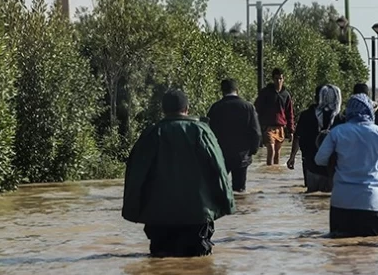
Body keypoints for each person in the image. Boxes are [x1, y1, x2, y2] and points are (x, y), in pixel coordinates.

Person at [122, 89, 235, 257]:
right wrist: (227, 203)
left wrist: (132, 210)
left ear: (163, 109)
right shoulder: (201, 132)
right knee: (199, 266)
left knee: (159, 265)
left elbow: (135, 174)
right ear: (187, 108)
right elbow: (219, 169)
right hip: (198, 214)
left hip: (159, 216)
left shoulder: (152, 134)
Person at [314, 94, 378, 237]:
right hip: (371, 202)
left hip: (341, 201)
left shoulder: (337, 132)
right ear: (369, 111)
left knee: (339, 252)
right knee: (370, 251)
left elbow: (320, 159)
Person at [205, 79, 262, 193]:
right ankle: (241, 209)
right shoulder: (248, 107)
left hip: (221, 154)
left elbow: (208, 132)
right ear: (237, 90)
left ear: (222, 91)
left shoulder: (215, 107)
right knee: (240, 191)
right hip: (242, 155)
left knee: (219, 189)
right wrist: (253, 150)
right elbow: (256, 132)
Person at [287, 84, 342, 193]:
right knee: (328, 199)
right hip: (333, 169)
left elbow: (297, 137)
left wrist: (292, 157)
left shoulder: (306, 115)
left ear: (317, 97)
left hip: (311, 165)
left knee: (311, 198)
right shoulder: (340, 118)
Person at [254, 68, 295, 166]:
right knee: (271, 150)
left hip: (280, 127)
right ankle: (268, 170)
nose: (278, 81)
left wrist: (291, 130)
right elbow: (257, 109)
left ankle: (274, 173)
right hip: (268, 127)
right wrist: (257, 127)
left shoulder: (286, 95)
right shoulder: (266, 93)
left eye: (280, 79)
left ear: (283, 79)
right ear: (273, 79)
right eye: (276, 79)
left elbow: (290, 113)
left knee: (277, 153)